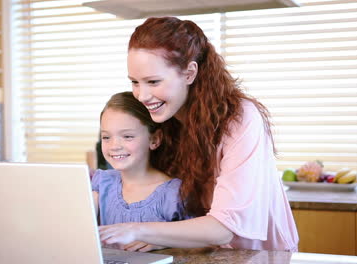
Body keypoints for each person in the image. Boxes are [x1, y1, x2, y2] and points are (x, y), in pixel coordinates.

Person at [98, 17, 299, 251]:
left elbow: (224, 229)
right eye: (135, 82)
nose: (142, 95)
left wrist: (137, 229)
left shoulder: (240, 118)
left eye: (153, 81)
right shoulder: (164, 116)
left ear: (189, 73)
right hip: (204, 253)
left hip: (259, 255)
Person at [92, 91, 188, 252]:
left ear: (154, 140)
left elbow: (203, 243)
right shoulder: (102, 183)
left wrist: (166, 241)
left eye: (127, 136)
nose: (114, 145)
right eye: (106, 137)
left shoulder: (174, 193)